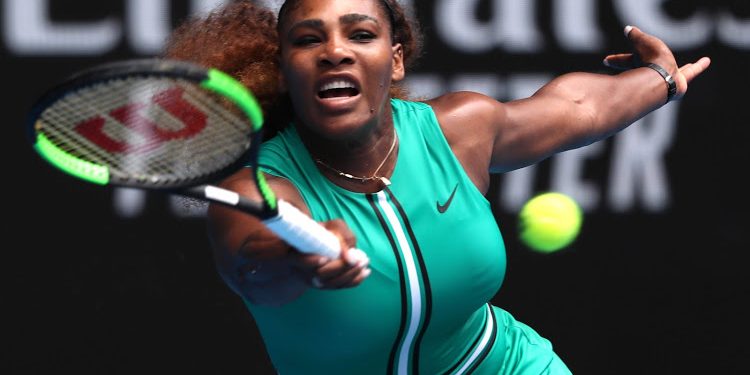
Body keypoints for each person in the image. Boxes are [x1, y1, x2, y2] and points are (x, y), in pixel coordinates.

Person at [163, 0, 710, 373]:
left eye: (360, 33)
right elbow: (253, 265)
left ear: (394, 58)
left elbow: (578, 107)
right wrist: (296, 256)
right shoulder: (263, 187)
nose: (334, 51)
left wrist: (661, 78)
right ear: (282, 70)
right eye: (308, 40)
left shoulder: (458, 131)